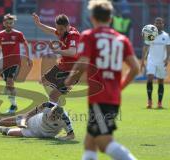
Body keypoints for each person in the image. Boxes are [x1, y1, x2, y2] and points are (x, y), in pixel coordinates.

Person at [65, 0, 139, 160]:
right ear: (111, 17)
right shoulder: (122, 39)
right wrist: (119, 87)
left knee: (104, 142)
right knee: (90, 142)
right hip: (112, 96)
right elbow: (135, 68)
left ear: (92, 17)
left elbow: (83, 62)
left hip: (100, 97)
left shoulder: (89, 36)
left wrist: (70, 78)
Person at [31, 13, 80, 111]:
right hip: (62, 66)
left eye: (61, 29)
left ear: (67, 26)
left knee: (53, 96)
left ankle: (53, 111)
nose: (59, 32)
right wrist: (39, 24)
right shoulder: (62, 32)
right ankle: (56, 103)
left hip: (71, 71)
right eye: (58, 29)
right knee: (43, 81)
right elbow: (51, 30)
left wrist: (56, 51)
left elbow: (72, 52)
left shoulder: (73, 35)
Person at [0, 13, 32, 114]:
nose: (9, 24)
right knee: (8, 83)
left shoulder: (18, 34)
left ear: (13, 23)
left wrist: (28, 57)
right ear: (4, 23)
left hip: (15, 62)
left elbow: (26, 44)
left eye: (11, 23)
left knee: (10, 81)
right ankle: (10, 93)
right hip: (5, 61)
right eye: (7, 23)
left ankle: (13, 106)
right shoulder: (0, 35)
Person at [0, 105, 74, 140]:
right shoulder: (46, 106)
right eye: (52, 115)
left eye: (56, 117)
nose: (53, 118)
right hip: (32, 121)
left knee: (10, 132)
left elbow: (71, 135)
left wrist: (61, 138)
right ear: (50, 111)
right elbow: (28, 114)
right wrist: (24, 121)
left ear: (60, 117)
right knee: (2, 121)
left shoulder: (65, 119)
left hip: (39, 134)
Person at [141, 17, 170, 109]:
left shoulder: (166, 36)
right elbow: (145, 47)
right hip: (151, 60)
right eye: (157, 23)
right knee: (149, 78)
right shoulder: (150, 34)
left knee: (160, 81)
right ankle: (149, 101)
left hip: (162, 61)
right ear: (154, 24)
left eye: (160, 23)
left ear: (163, 24)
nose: (158, 24)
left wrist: (167, 59)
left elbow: (168, 48)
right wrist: (142, 60)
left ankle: (159, 102)